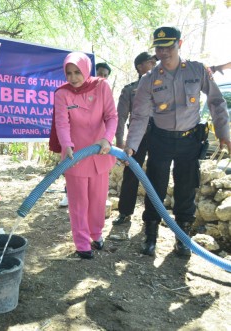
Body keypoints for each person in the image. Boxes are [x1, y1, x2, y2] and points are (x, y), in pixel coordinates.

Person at [124, 26, 231, 257]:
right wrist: (131, 145)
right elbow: (140, 115)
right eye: (159, 48)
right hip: (159, 140)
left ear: (179, 44)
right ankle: (150, 235)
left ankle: (182, 239)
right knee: (155, 188)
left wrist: (224, 133)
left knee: (185, 189)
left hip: (189, 141)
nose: (163, 52)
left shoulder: (197, 70)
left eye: (168, 46)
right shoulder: (148, 79)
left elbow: (216, 102)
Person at [54, 52, 118, 259]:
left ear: (86, 70)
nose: (73, 78)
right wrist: (67, 145)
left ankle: (96, 234)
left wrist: (107, 139)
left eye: (77, 72)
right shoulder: (62, 94)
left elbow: (111, 116)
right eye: (69, 73)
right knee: (78, 202)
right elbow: (62, 123)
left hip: (101, 150)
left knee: (98, 200)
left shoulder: (101, 86)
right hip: (75, 155)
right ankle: (82, 242)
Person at [113, 52, 157, 225]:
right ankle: (124, 212)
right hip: (136, 138)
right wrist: (119, 142)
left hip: (159, 136)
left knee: (156, 174)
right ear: (140, 67)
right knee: (131, 173)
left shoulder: (163, 87)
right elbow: (121, 117)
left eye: (156, 62)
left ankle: (152, 217)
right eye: (151, 62)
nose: (155, 65)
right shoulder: (130, 89)